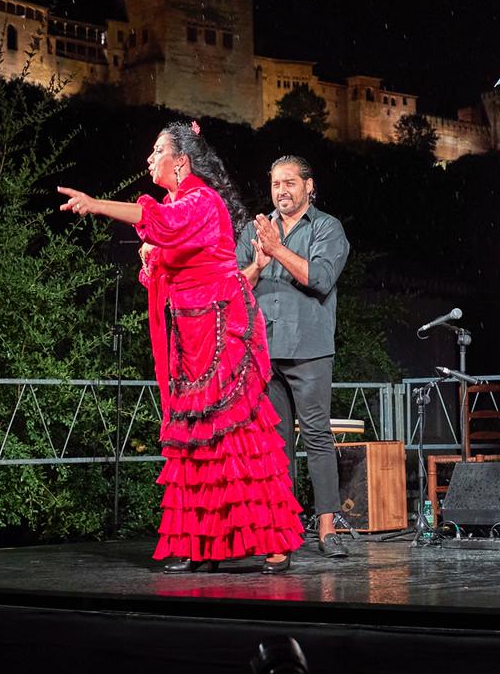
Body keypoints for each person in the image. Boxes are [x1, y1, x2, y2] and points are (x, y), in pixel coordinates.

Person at [57, 120, 304, 573]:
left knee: (238, 436)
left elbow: (162, 223)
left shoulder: (200, 200)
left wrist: (96, 205)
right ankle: (202, 545)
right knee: (196, 438)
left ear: (182, 161)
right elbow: (169, 248)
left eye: (157, 152)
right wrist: (154, 260)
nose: (150, 159)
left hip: (222, 331)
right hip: (190, 336)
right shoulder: (182, 204)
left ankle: (274, 540)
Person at [238, 155, 352, 558]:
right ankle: (281, 532)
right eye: (275, 184)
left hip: (309, 349)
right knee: (276, 443)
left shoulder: (326, 228)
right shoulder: (256, 230)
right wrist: (258, 261)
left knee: (318, 438)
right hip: (265, 351)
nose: (281, 191)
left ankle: (327, 528)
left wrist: (277, 249)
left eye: (289, 183)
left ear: (309, 186)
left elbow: (319, 277)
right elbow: (237, 285)